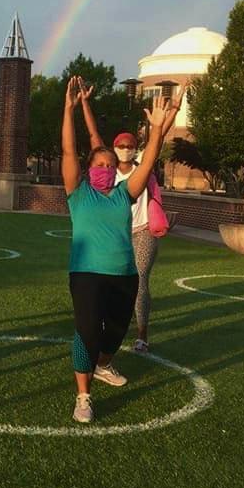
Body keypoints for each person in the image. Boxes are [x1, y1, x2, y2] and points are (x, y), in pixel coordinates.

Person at [61, 76, 173, 423]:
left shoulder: (125, 193)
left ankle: (104, 364)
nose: (106, 169)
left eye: (110, 166)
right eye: (99, 164)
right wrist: (69, 109)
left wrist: (155, 133)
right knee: (88, 331)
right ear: (88, 168)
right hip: (87, 274)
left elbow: (149, 163)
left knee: (117, 330)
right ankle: (83, 396)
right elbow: (68, 150)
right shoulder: (79, 194)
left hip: (124, 274)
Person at [80, 81, 183, 352]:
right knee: (107, 281)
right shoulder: (107, 170)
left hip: (143, 230)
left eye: (130, 145)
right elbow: (93, 136)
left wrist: (175, 108)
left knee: (139, 279)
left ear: (136, 148)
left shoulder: (142, 169)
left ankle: (142, 334)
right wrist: (85, 103)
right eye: (121, 145)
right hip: (115, 233)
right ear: (113, 148)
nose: (125, 148)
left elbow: (158, 138)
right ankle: (107, 326)